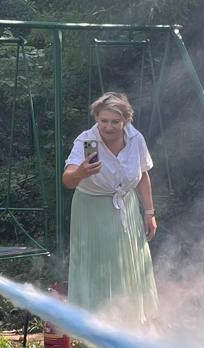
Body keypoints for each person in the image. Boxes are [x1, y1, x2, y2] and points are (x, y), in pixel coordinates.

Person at [62, 90, 158, 328]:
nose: (109, 127)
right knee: (102, 265)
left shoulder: (136, 139)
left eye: (115, 121)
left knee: (129, 262)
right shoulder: (86, 141)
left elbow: (143, 175)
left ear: (125, 121)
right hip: (92, 209)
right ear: (97, 118)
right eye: (103, 121)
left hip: (126, 205)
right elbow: (67, 180)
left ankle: (132, 319)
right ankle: (101, 323)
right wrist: (82, 171)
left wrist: (149, 212)